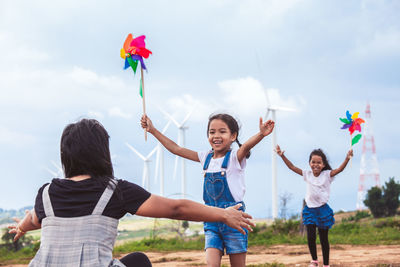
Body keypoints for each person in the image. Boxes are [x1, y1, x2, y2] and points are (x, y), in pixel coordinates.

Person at [8, 118, 255, 267]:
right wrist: (222, 215)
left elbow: (33, 220)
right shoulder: (114, 190)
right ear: (102, 152)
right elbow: (176, 208)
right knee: (137, 261)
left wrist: (23, 227)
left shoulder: (47, 193)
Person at [141, 113, 274, 267]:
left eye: (222, 131)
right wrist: (153, 130)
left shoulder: (234, 158)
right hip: (211, 217)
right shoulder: (205, 157)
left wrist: (261, 134)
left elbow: (246, 146)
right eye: (212, 132)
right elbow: (176, 149)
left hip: (234, 218)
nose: (216, 136)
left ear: (233, 136)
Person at [275, 145, 353, 267]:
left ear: (323, 164)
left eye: (319, 162)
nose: (315, 165)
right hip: (310, 210)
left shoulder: (327, 175)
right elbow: (292, 167)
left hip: (323, 210)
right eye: (313, 162)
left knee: (323, 239)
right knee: (311, 237)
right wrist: (282, 155)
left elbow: (339, 169)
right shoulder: (307, 174)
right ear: (309, 163)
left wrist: (347, 158)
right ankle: (314, 261)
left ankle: (326, 264)